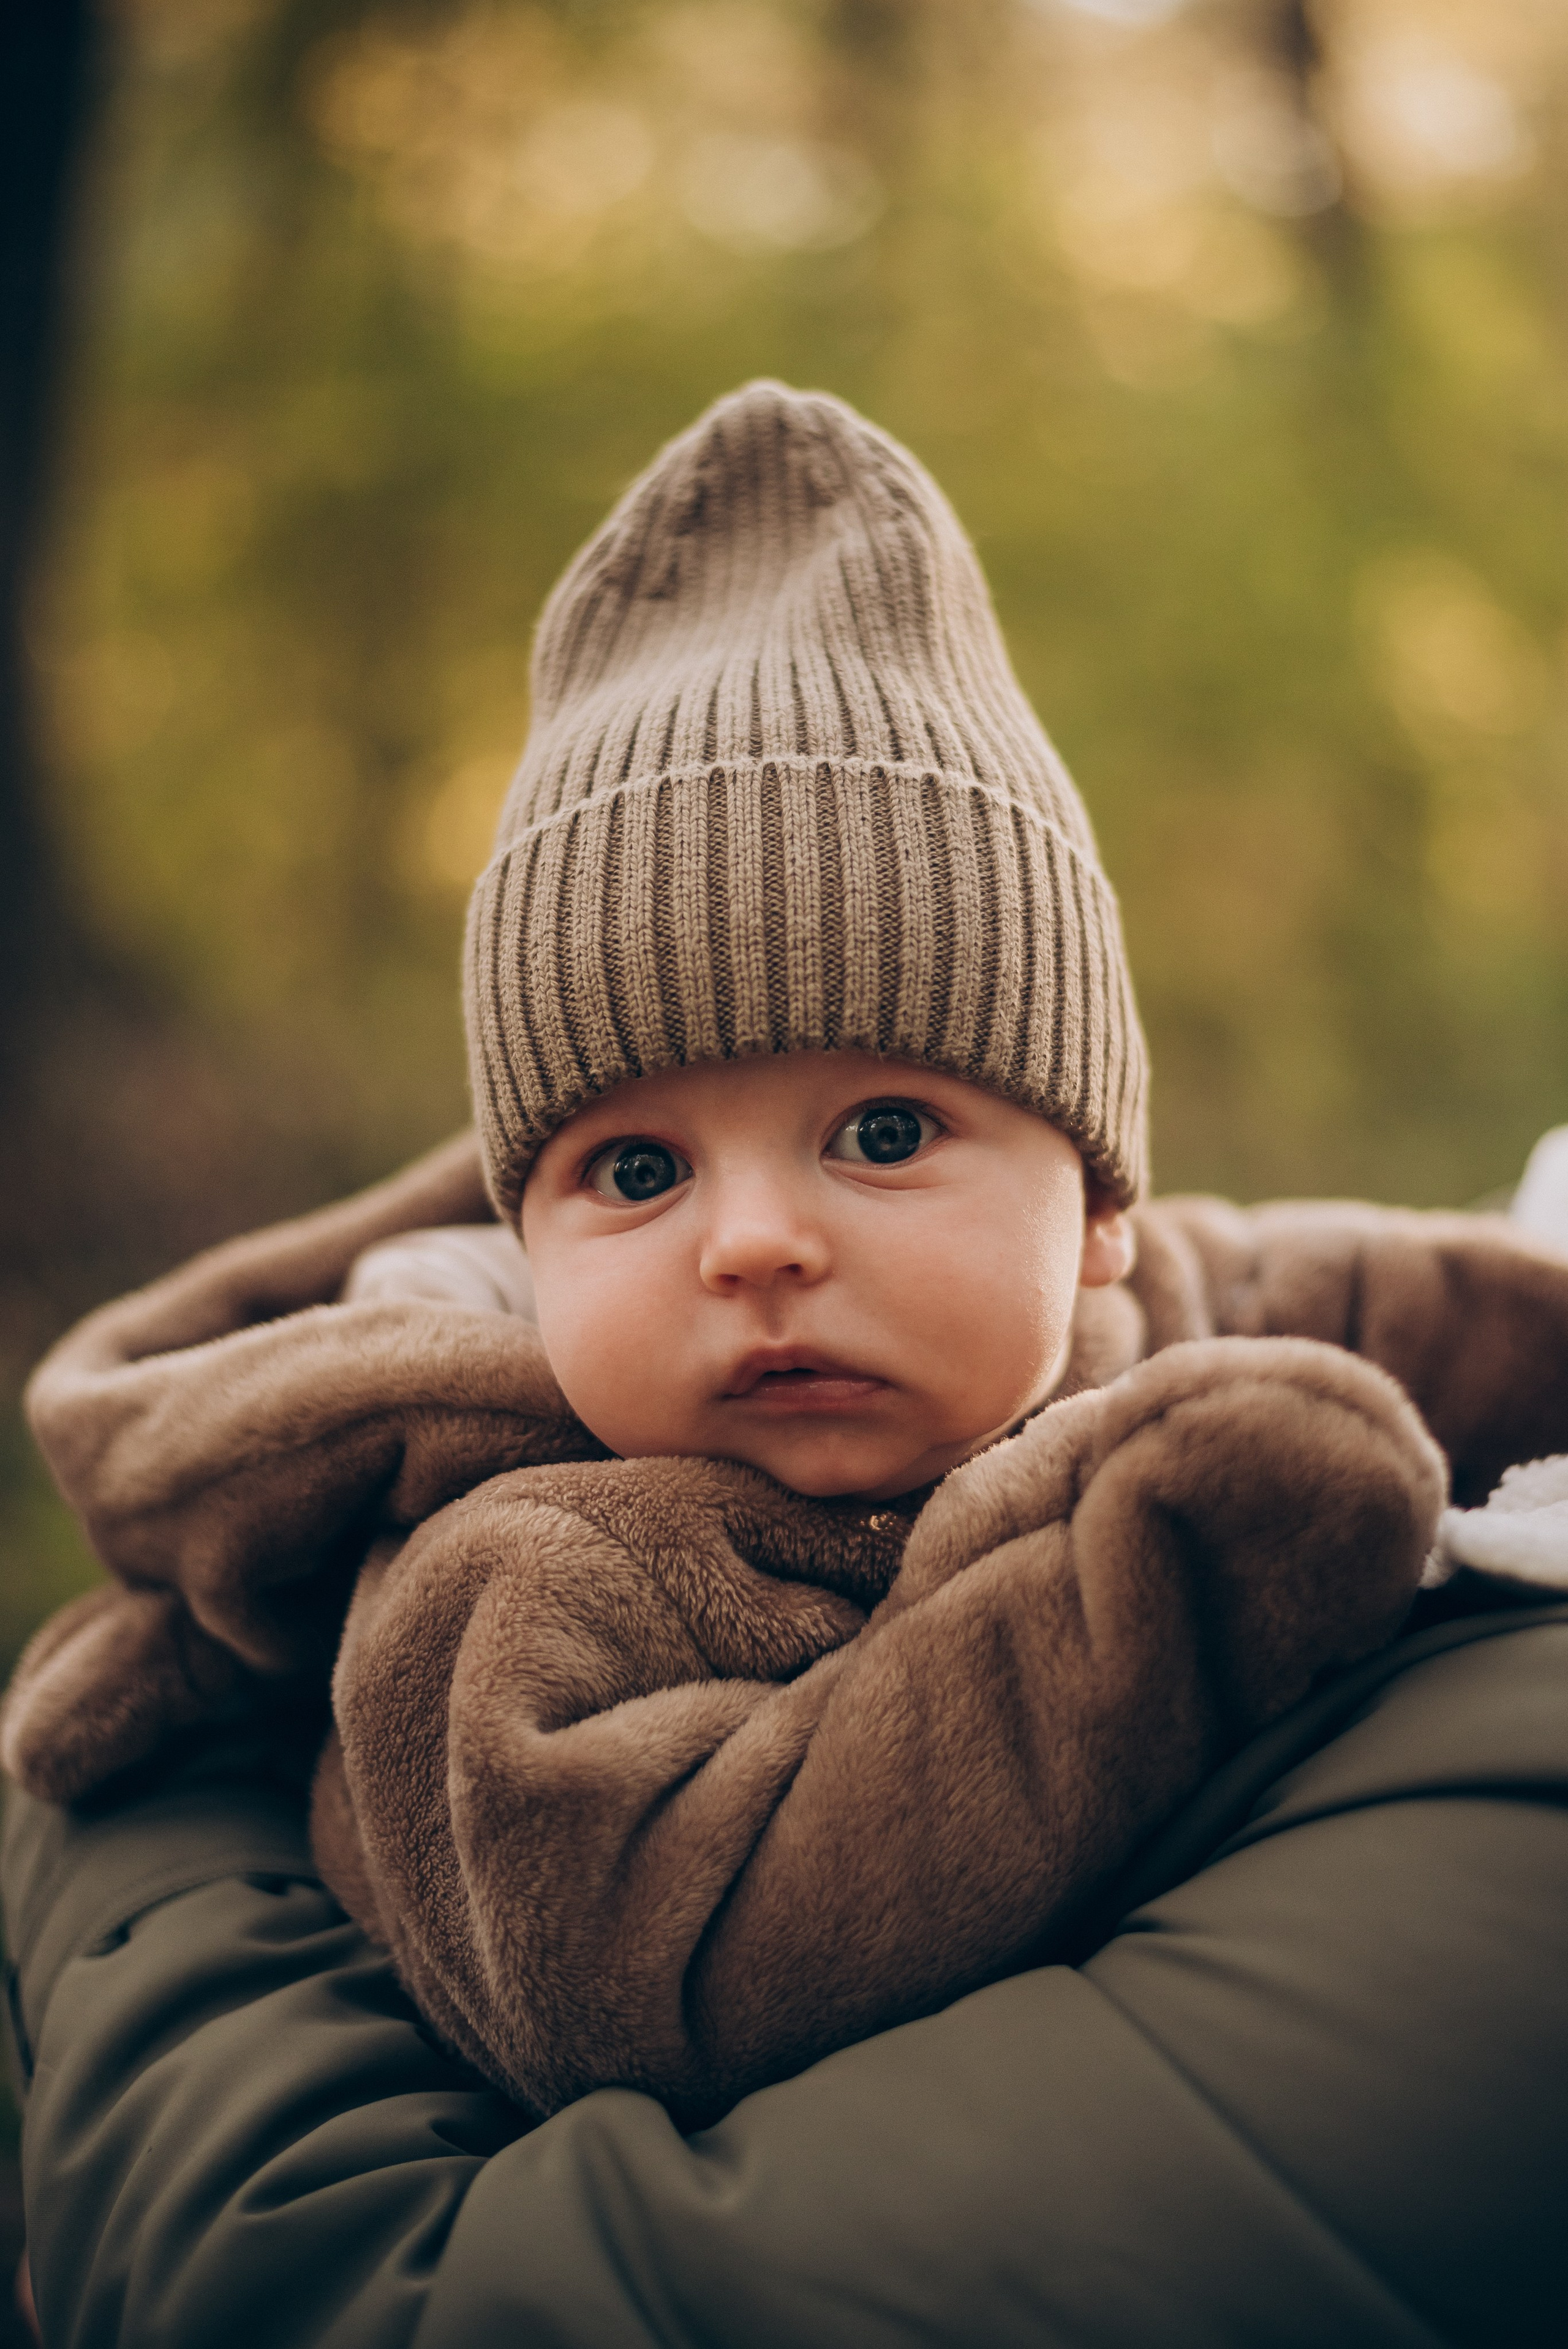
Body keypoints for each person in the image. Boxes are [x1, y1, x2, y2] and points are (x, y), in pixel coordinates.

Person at [7, 386, 1568, 2340]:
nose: (750, 1240)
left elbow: (1414, 1299)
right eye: (637, 1169)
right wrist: (1136, 1593)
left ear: (1096, 1200)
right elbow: (641, 1970)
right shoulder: (522, 1559)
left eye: (884, 1130)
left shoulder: (1149, 1299)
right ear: (526, 1238)